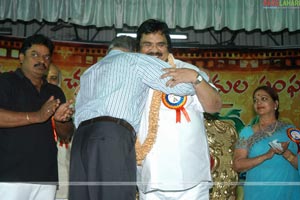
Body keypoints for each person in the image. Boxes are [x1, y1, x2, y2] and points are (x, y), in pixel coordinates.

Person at [69, 36, 197, 200]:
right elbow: (183, 87)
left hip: (80, 140)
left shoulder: (89, 71)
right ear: (135, 50)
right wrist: (196, 78)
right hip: (110, 136)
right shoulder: (135, 60)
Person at [135, 19, 222, 200]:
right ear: (138, 48)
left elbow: (214, 107)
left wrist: (196, 79)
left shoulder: (188, 70)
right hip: (151, 177)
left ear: (169, 47)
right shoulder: (130, 75)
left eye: (161, 44)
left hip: (191, 179)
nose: (154, 50)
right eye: (147, 45)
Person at [0, 34, 75, 200]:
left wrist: (62, 120)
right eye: (35, 55)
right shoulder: (6, 82)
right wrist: (37, 116)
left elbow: (66, 135)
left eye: (46, 57)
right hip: (9, 177)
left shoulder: (55, 92)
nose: (41, 60)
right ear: (21, 57)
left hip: (45, 177)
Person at [233, 85, 300, 200]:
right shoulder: (247, 132)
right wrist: (266, 156)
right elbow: (237, 165)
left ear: (275, 104)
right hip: (259, 193)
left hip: (289, 193)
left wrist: (286, 153)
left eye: (264, 99)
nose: (258, 103)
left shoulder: (291, 131)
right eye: (255, 100)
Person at [46, 63, 72, 200]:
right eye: (46, 77)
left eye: (53, 78)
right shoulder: (26, 107)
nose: (49, 82)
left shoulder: (68, 110)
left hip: (62, 174)